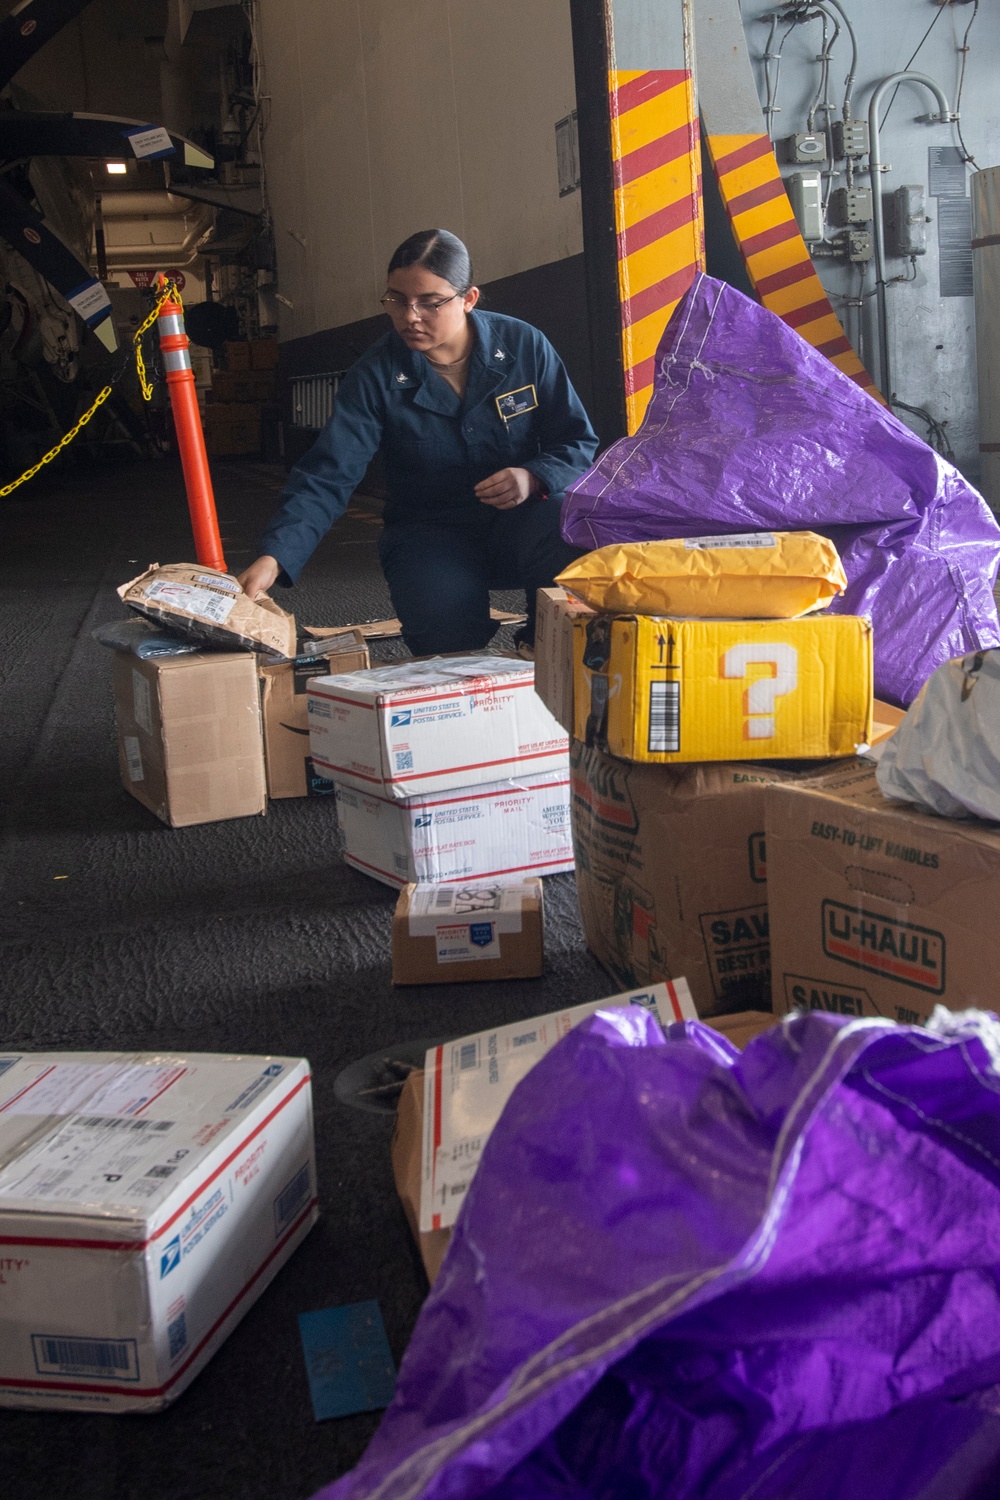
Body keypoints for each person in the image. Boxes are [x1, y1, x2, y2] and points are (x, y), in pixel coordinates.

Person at [237, 229, 598, 655]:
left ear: (469, 299)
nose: (410, 316)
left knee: (571, 527)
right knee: (445, 639)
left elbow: (576, 440)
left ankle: (541, 647)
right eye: (396, 300)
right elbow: (329, 474)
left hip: (521, 522)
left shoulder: (524, 346)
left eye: (430, 302)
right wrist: (274, 557)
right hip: (430, 532)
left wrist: (534, 476)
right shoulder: (374, 374)